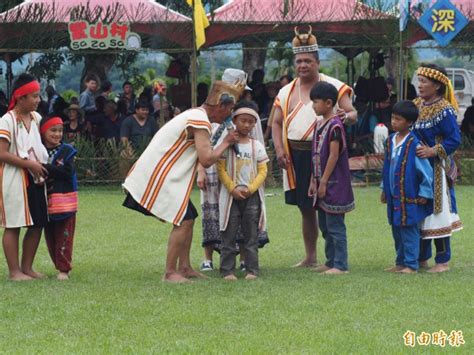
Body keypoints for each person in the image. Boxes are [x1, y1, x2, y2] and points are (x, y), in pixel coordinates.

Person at [122, 78, 244, 283]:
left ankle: (185, 267)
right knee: (184, 219)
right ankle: (170, 273)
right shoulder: (200, 119)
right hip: (160, 174)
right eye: (229, 108)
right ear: (221, 105)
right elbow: (206, 159)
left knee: (189, 216)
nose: (229, 115)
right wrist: (226, 142)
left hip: (162, 173)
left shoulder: (195, 114)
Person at [272, 27, 357, 268]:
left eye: (308, 60)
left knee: (327, 206)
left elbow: (352, 112)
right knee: (305, 207)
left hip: (326, 152)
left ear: (317, 61)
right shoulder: (285, 91)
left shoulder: (333, 86)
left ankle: (335, 260)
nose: (303, 65)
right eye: (298, 61)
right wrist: (279, 149)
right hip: (296, 154)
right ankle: (311, 257)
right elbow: (276, 123)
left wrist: (346, 117)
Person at [412, 64, 463, 273]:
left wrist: (433, 151)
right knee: (420, 211)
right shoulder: (415, 105)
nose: (420, 85)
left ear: (437, 85)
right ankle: (421, 258)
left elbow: (455, 139)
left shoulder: (445, 110)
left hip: (437, 169)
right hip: (417, 168)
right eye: (420, 80)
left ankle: (442, 261)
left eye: (424, 81)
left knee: (437, 212)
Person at [0, 73, 49, 281]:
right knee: (13, 224)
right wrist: (28, 164)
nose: (38, 100)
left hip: (36, 177)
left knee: (37, 222)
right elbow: (1, 153)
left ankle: (27, 267)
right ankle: (14, 272)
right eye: (34, 96)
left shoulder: (36, 119)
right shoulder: (6, 120)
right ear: (21, 98)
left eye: (38, 96)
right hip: (14, 179)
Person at [217, 101, 269, 280]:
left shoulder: (257, 146)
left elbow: (263, 170)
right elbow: (221, 169)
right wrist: (232, 188)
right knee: (228, 234)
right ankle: (227, 270)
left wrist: (251, 188)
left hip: (251, 196)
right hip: (230, 196)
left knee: (251, 235)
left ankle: (252, 270)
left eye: (250, 121)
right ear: (234, 120)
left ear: (255, 124)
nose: (246, 125)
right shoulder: (228, 145)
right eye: (243, 121)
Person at [381, 101, 433, 274]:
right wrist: (384, 189)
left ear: (409, 122)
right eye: (392, 118)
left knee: (409, 230)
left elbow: (426, 172)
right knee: (396, 229)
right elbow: (387, 167)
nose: (394, 122)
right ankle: (400, 261)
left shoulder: (415, 144)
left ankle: (411, 264)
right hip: (393, 196)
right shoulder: (389, 141)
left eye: (398, 119)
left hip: (409, 196)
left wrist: (425, 192)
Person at [308, 82, 355, 275]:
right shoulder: (319, 124)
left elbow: (334, 156)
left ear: (328, 103)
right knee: (325, 225)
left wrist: (324, 181)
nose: (313, 106)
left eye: (315, 101)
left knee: (336, 226)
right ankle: (330, 261)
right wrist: (313, 179)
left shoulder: (335, 126)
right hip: (320, 180)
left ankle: (340, 265)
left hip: (334, 182)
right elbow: (316, 154)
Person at [40, 116, 78, 280]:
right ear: (43, 131)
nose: (57, 134)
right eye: (53, 130)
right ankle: (58, 264)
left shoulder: (67, 151)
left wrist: (46, 168)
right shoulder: (38, 150)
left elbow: (67, 173)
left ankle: (64, 269)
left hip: (64, 202)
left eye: (60, 130)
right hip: (46, 201)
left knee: (64, 235)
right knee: (50, 235)